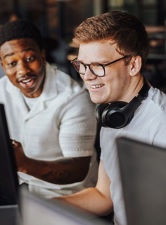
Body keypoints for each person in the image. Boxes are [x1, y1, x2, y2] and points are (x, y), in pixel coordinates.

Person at [56, 11, 166, 225]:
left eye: (99, 65)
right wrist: (43, 206)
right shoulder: (113, 113)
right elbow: (104, 196)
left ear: (133, 65)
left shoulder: (161, 123)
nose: (87, 76)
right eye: (81, 65)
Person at [0, 19, 99, 198]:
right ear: (2, 65)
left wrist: (24, 164)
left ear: (42, 55)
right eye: (12, 63)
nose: (23, 70)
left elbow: (78, 170)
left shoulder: (74, 98)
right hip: (19, 188)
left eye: (30, 58)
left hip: (66, 195)